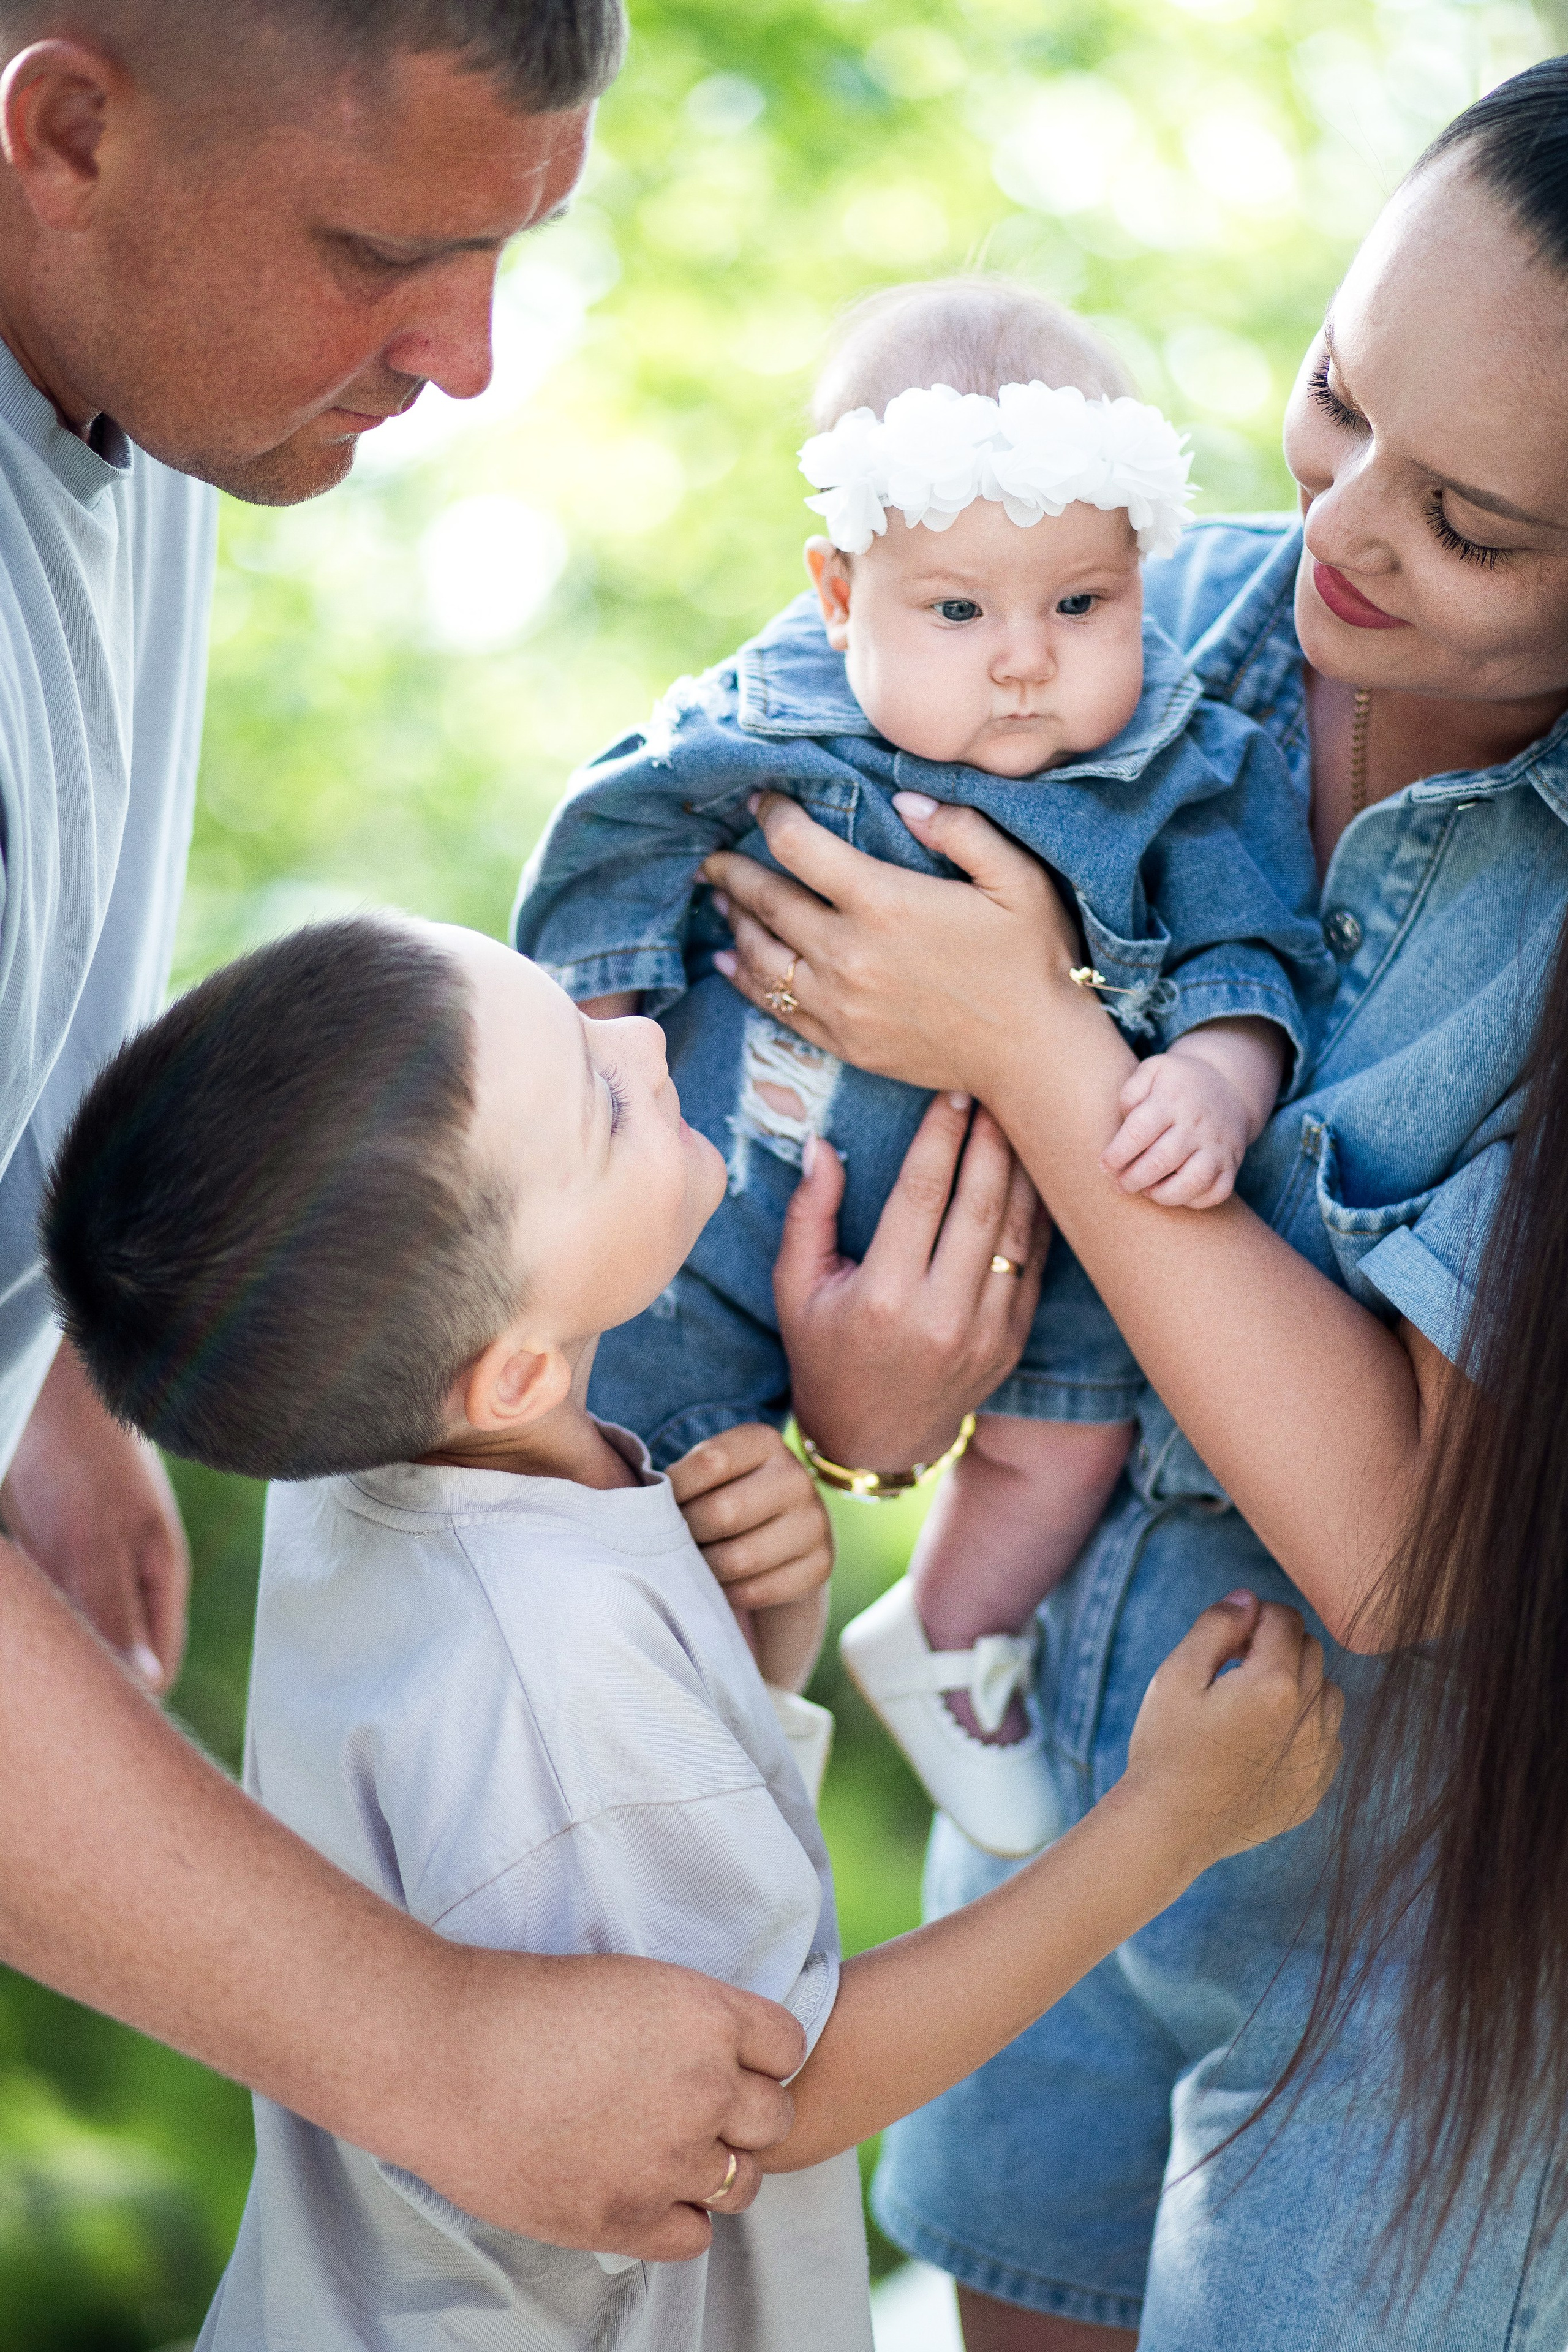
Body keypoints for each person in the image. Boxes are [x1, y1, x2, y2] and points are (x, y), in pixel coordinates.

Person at [697, 58, 1568, 2351]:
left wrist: (1033, 1041)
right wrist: (855, 1415)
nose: (1348, 534)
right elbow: (755, 1046)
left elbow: (1407, 1544)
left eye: (1479, 525)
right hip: (1065, 1803)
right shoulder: (1097, 613)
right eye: (1334, 401)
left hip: (1431, 1947)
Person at [40, 908, 1341, 2349]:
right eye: (599, 1107)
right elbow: (780, 2088)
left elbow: (604, 1856)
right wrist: (1165, 1826)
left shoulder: (359, 1474)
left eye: (573, 1007)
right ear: (513, 1366)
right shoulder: (560, 1657)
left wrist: (749, 1650)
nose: (644, 1036)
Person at [0, 0, 816, 2261]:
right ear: (66, 132)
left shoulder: (152, 363)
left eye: (509, 249)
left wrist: (64, 1348)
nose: (462, 360)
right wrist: (430, 2043)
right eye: (381, 249)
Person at [514, 277, 1332, 1857]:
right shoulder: (770, 724)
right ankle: (606, 1736)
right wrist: (602, 1033)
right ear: (842, 593)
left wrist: (1222, 1075)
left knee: (1074, 1427)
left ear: (1139, 580)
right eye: (957, 612)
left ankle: (950, 1636)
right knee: (638, 1434)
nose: (1024, 663)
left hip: (1037, 1227)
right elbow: (607, 832)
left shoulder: (1179, 764)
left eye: (1080, 606)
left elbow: (1252, 941)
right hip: (713, 1192)